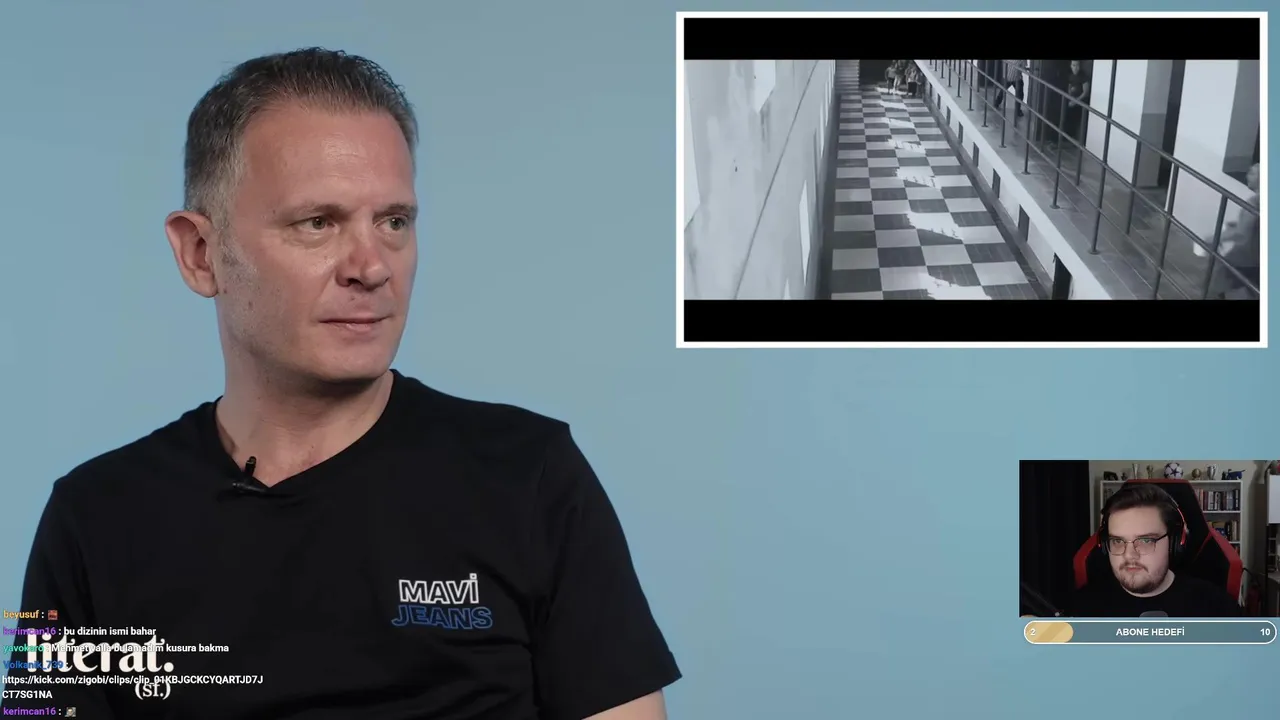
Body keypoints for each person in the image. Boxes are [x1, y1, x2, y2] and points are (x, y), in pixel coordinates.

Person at [2, 48, 679, 720]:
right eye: (318, 223)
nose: (371, 267)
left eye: (394, 222)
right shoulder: (91, 516)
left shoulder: (531, 475)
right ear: (201, 254)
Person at [1072, 484, 1242, 617]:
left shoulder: (1216, 608)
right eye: (1117, 541)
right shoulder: (1082, 610)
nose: (1129, 554)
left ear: (1175, 542)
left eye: (1146, 540)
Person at [1204, 162, 1260, 299]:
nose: (1247, 176)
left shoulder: (1254, 202)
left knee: (1217, 284)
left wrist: (1216, 238)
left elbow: (1242, 233)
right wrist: (1238, 223)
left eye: (1252, 173)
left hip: (1246, 257)